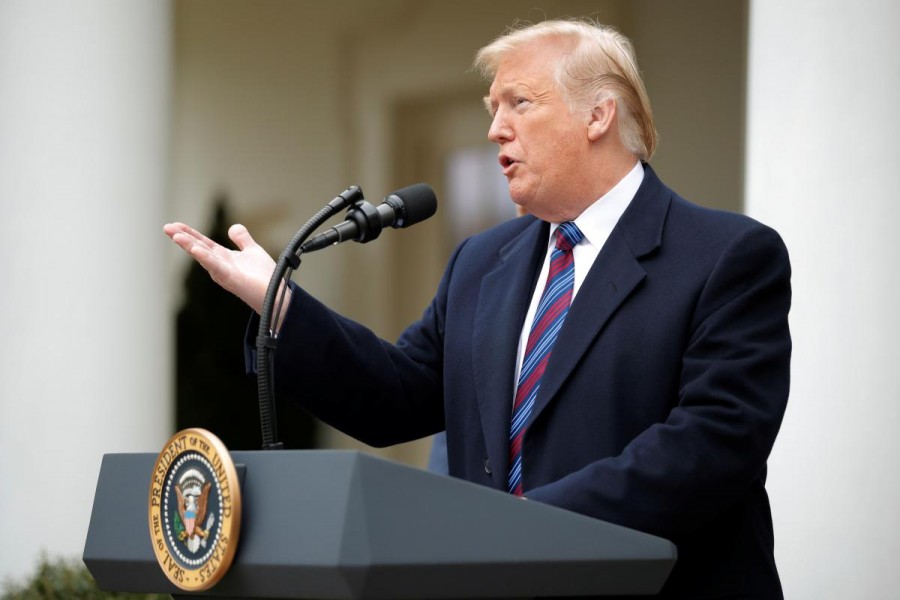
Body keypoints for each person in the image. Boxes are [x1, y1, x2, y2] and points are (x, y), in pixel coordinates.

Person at [165, 19, 790, 598]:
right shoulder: (481, 262)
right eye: (492, 109)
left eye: (519, 102)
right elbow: (395, 394)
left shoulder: (725, 257)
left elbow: (713, 443)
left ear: (598, 114)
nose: (495, 128)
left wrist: (524, 525)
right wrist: (278, 304)